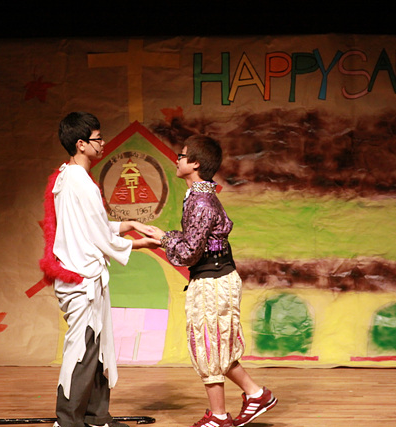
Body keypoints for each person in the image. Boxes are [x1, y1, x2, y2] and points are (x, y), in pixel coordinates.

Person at [151, 135, 277, 427]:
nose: (178, 159)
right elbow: (194, 241)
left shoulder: (201, 201)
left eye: (182, 155)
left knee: (209, 345)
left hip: (213, 280)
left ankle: (219, 416)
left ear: (195, 163)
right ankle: (256, 394)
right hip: (215, 278)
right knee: (218, 345)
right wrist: (164, 237)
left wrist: (163, 239)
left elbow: (189, 253)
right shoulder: (198, 197)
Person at [46, 112, 160, 427]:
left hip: (85, 276)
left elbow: (92, 226)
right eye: (97, 138)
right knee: (82, 349)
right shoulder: (80, 182)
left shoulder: (68, 176)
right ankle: (68, 420)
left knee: (96, 347)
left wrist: (129, 224)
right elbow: (98, 236)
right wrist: (140, 244)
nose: (103, 143)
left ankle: (96, 417)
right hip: (81, 278)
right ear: (81, 144)